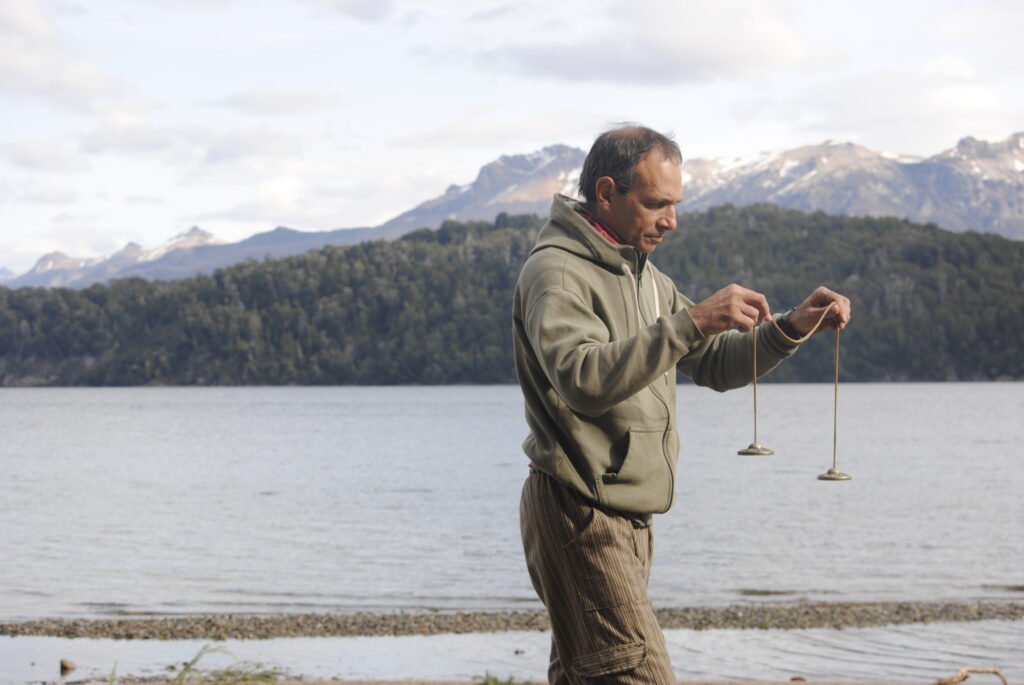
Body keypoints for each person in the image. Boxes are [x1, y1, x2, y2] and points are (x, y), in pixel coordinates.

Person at [512, 125, 851, 684]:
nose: (671, 220)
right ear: (605, 193)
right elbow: (581, 379)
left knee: (588, 675)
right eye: (656, 204)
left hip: (625, 517)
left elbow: (716, 363)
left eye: (675, 204)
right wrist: (692, 320)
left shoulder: (647, 279)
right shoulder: (558, 271)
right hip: (581, 513)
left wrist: (793, 326)